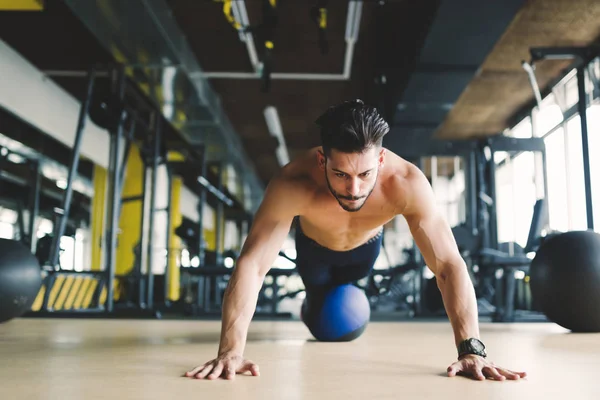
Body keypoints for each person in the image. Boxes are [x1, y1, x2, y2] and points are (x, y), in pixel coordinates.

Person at [184, 99, 527, 382]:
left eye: (365, 174)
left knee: (348, 304)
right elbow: (252, 264)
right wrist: (231, 349)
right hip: (313, 254)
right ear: (322, 159)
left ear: (380, 158)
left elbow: (448, 265)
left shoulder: (407, 182)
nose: (354, 189)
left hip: (364, 253)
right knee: (320, 313)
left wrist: (471, 350)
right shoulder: (293, 182)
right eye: (340, 174)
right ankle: (311, 303)